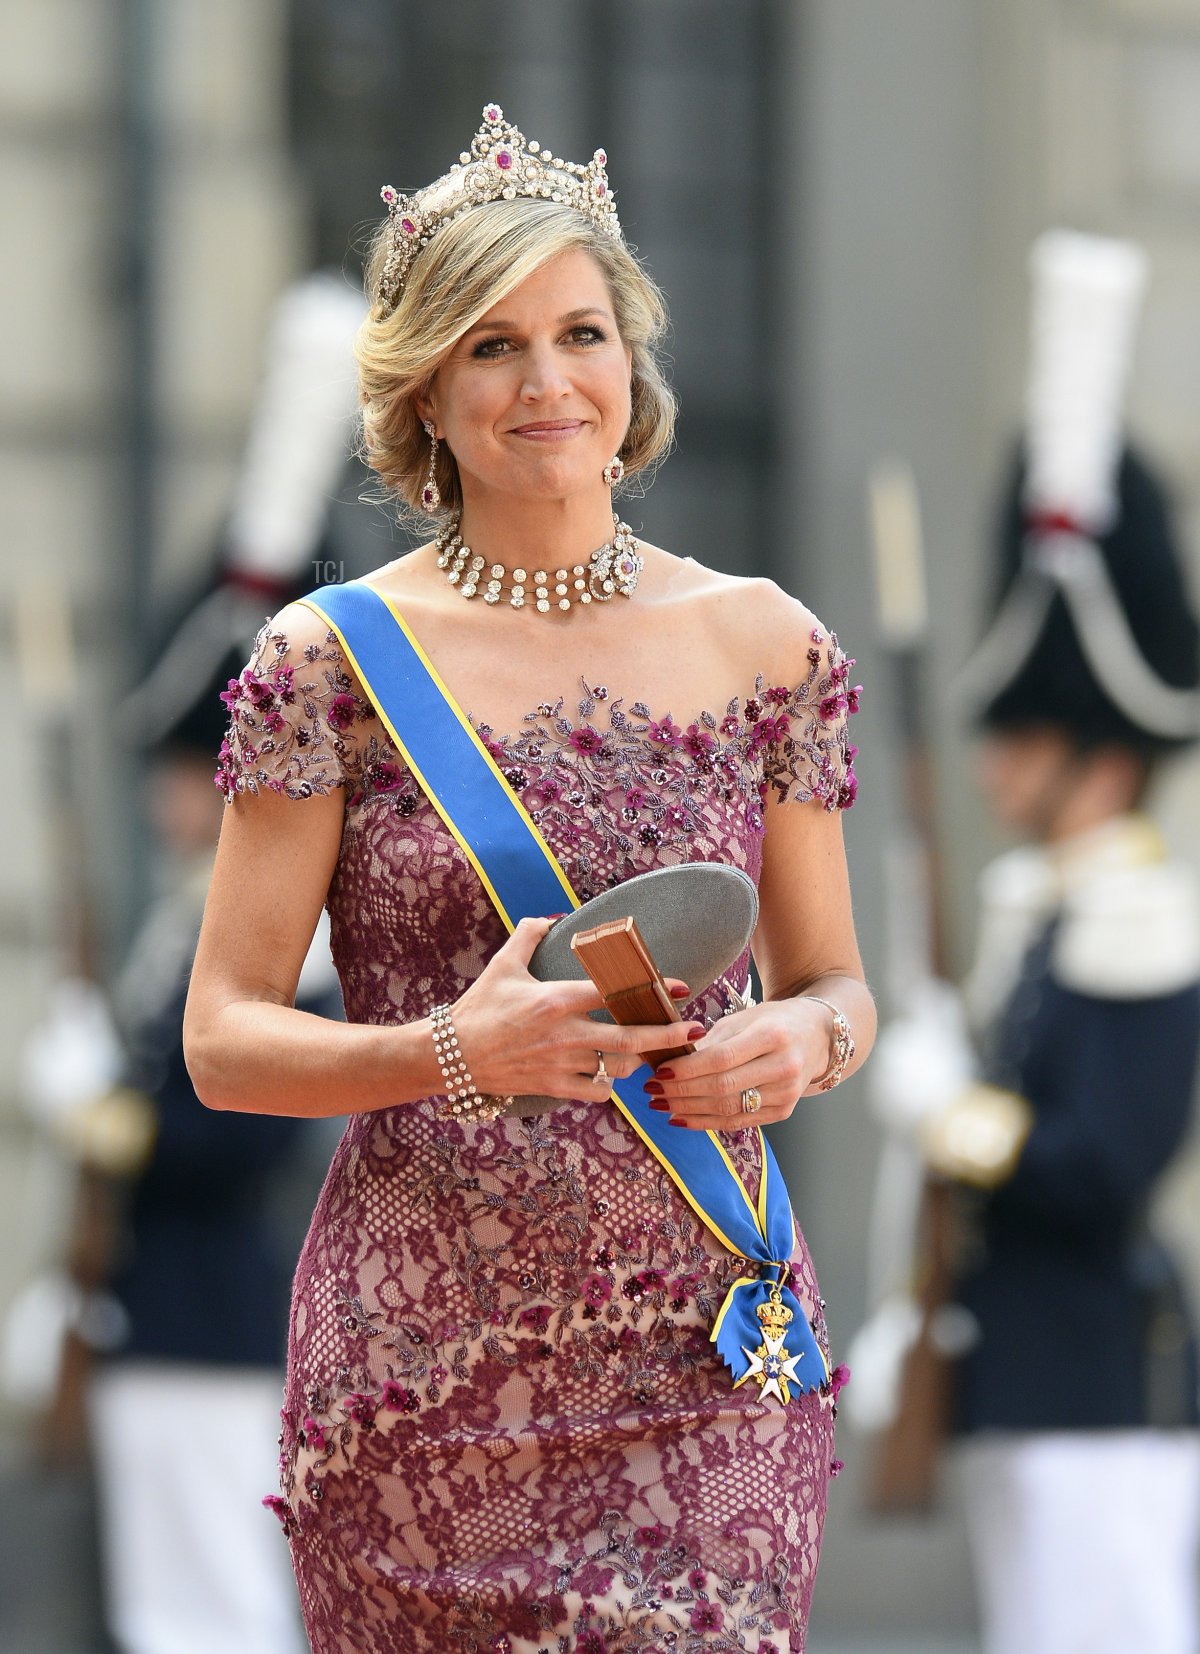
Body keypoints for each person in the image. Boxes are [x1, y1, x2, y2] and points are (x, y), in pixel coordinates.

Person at [184, 103, 873, 1652]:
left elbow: (842, 984)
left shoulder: (771, 645)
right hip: (423, 1385)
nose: (548, 382)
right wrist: (449, 1051)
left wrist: (804, 1040)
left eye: (581, 333)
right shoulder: (328, 664)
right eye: (492, 347)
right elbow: (222, 1037)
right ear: (426, 389)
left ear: (634, 365)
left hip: (708, 1354)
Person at [868, 229, 1200, 1654]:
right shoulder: (1044, 917)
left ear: (1101, 757)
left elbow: (1102, 1162)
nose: (997, 770)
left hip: (1094, 1383)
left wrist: (958, 1122)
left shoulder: (1142, 918)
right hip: (1020, 1372)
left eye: (1028, 740)